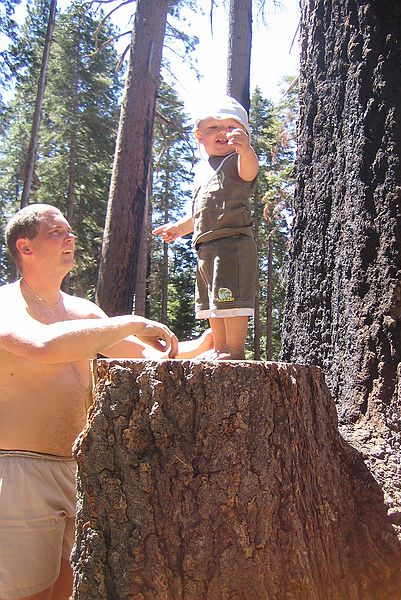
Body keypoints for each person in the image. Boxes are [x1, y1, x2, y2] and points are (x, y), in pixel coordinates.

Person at [0, 203, 212, 600]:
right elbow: (44, 346)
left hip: (79, 470)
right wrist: (132, 322)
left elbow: (147, 355)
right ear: (24, 247)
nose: (70, 237)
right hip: (17, 469)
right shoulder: (6, 305)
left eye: (70, 231)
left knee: (69, 588)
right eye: (56, 232)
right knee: (24, 593)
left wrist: (211, 343)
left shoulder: (83, 312)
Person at [153, 96, 259, 360]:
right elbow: (199, 212)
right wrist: (179, 228)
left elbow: (250, 171)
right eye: (213, 127)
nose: (222, 132)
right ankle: (220, 346)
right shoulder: (204, 171)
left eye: (231, 127)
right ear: (199, 136)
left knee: (231, 299)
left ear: (244, 134)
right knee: (214, 301)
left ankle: (234, 349)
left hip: (232, 243)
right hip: (206, 247)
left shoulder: (237, 161)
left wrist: (246, 150)